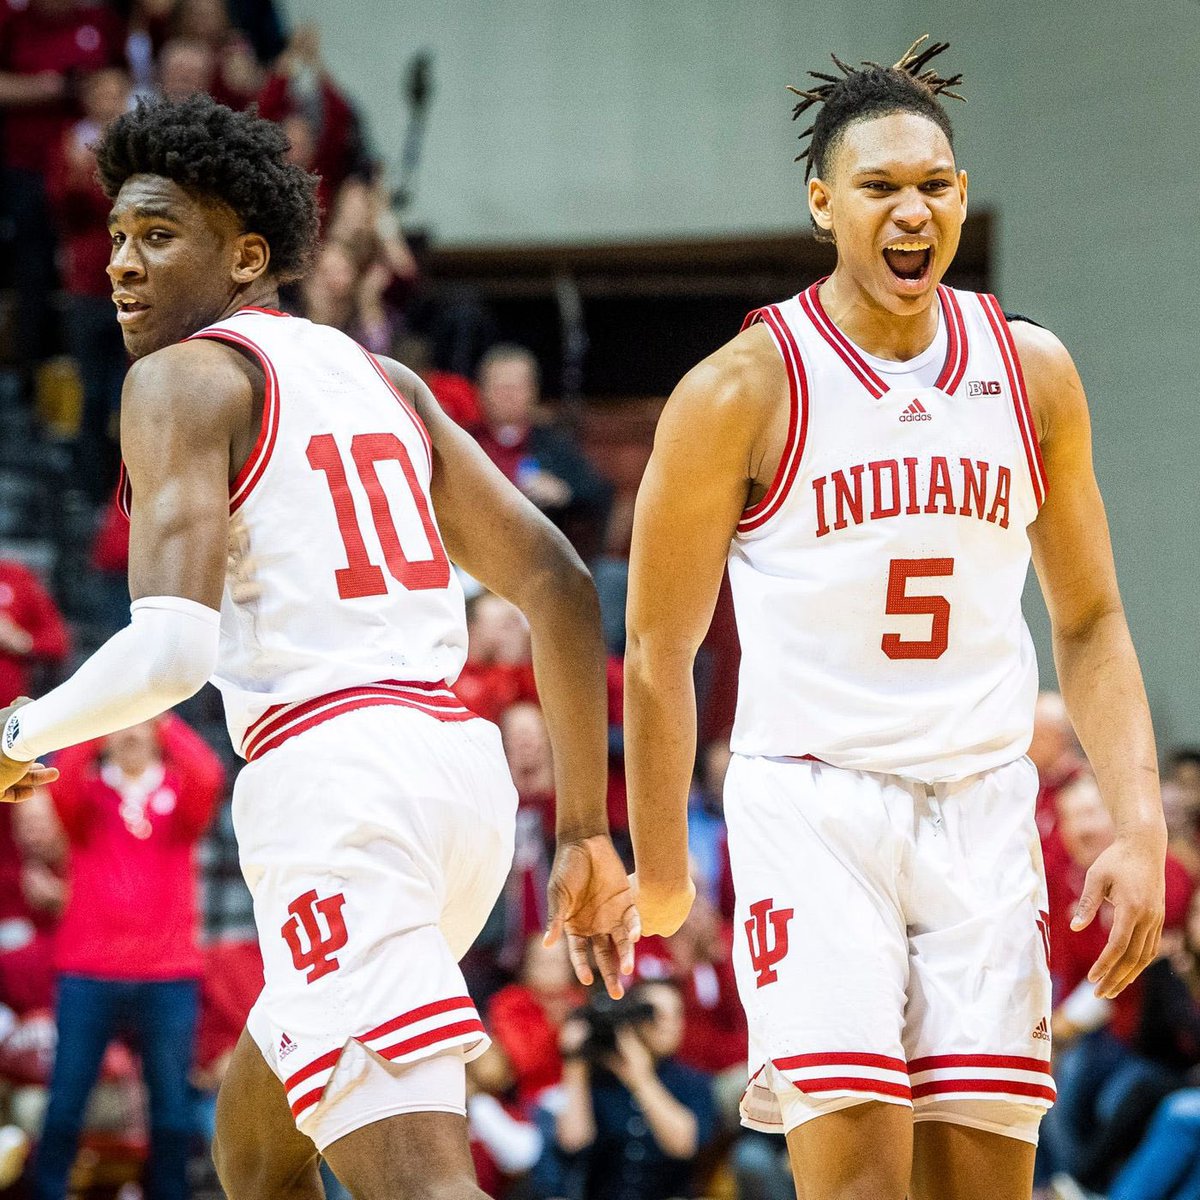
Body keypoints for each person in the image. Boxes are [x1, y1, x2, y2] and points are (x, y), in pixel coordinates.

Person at [0, 94, 636, 1200]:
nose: (122, 266)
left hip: (339, 790)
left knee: (424, 1187)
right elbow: (561, 584)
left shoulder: (181, 379)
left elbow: (171, 653)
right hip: (455, 783)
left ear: (247, 254)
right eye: (115, 237)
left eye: (159, 235)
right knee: (255, 1146)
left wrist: (21, 729)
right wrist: (583, 830)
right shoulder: (380, 381)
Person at [623, 36, 1166, 1200]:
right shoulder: (740, 389)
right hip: (814, 806)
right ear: (823, 203)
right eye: (879, 188)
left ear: (961, 196)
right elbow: (659, 649)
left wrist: (1138, 822)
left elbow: (1093, 619)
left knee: (979, 1189)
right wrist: (664, 868)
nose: (910, 211)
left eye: (932, 185)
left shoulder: (1032, 373)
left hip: (981, 807)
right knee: (863, 1184)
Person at [31, 718, 223, 1200]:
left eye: (142, 724)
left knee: (172, 1112)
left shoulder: (182, 798)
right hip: (87, 971)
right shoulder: (86, 798)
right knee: (65, 1105)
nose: (132, 732)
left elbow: (209, 773)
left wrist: (158, 712)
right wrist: (106, 713)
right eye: (124, 725)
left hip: (168, 973)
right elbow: (64, 770)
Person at [545, 979, 717, 1200]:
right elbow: (573, 1142)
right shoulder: (599, 1077)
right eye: (654, 1014)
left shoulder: (694, 1082)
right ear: (631, 1019)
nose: (670, 1024)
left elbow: (684, 1145)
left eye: (677, 1014)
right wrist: (574, 1064)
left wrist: (641, 1078)